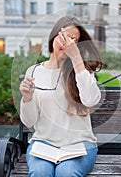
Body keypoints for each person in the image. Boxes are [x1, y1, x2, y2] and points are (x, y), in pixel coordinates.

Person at [19, 15, 103, 177]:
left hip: (79, 145)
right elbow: (29, 121)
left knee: (67, 172)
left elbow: (91, 100)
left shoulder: (81, 71)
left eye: (74, 40)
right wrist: (27, 98)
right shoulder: (34, 71)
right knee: (39, 172)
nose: (67, 43)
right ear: (53, 37)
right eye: (63, 36)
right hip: (44, 144)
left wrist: (77, 58)